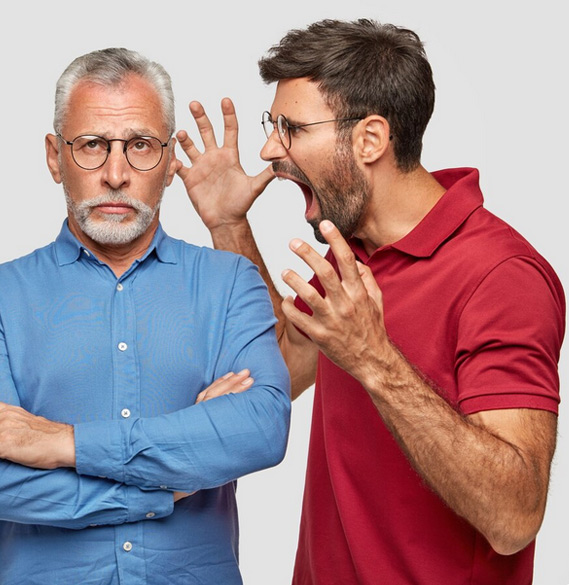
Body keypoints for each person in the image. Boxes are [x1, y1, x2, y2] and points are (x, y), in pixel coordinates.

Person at [176, 18, 565, 584]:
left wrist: (374, 358)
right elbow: (277, 372)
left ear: (370, 139)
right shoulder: (349, 251)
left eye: (290, 128)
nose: (268, 149)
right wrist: (230, 224)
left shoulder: (502, 276)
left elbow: (515, 516)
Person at [0, 47, 291, 584]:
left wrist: (61, 444)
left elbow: (261, 430)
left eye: (141, 146)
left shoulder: (230, 284)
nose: (115, 173)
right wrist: (170, 482)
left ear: (171, 159)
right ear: (55, 156)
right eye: (91, 146)